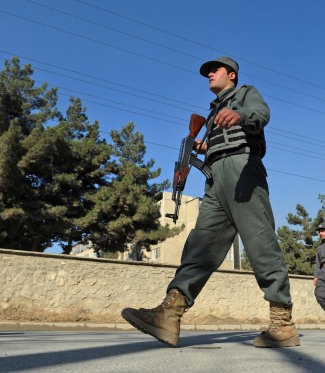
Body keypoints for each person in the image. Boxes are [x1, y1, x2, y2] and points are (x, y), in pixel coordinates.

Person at [121, 56, 300, 348]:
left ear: (231, 75)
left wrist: (241, 116)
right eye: (207, 73)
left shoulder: (244, 94)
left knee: (259, 242)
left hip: (242, 170)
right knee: (200, 244)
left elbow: (261, 113)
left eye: (214, 71)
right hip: (215, 177)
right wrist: (207, 146)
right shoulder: (214, 110)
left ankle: (282, 322)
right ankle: (170, 315)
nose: (209, 75)